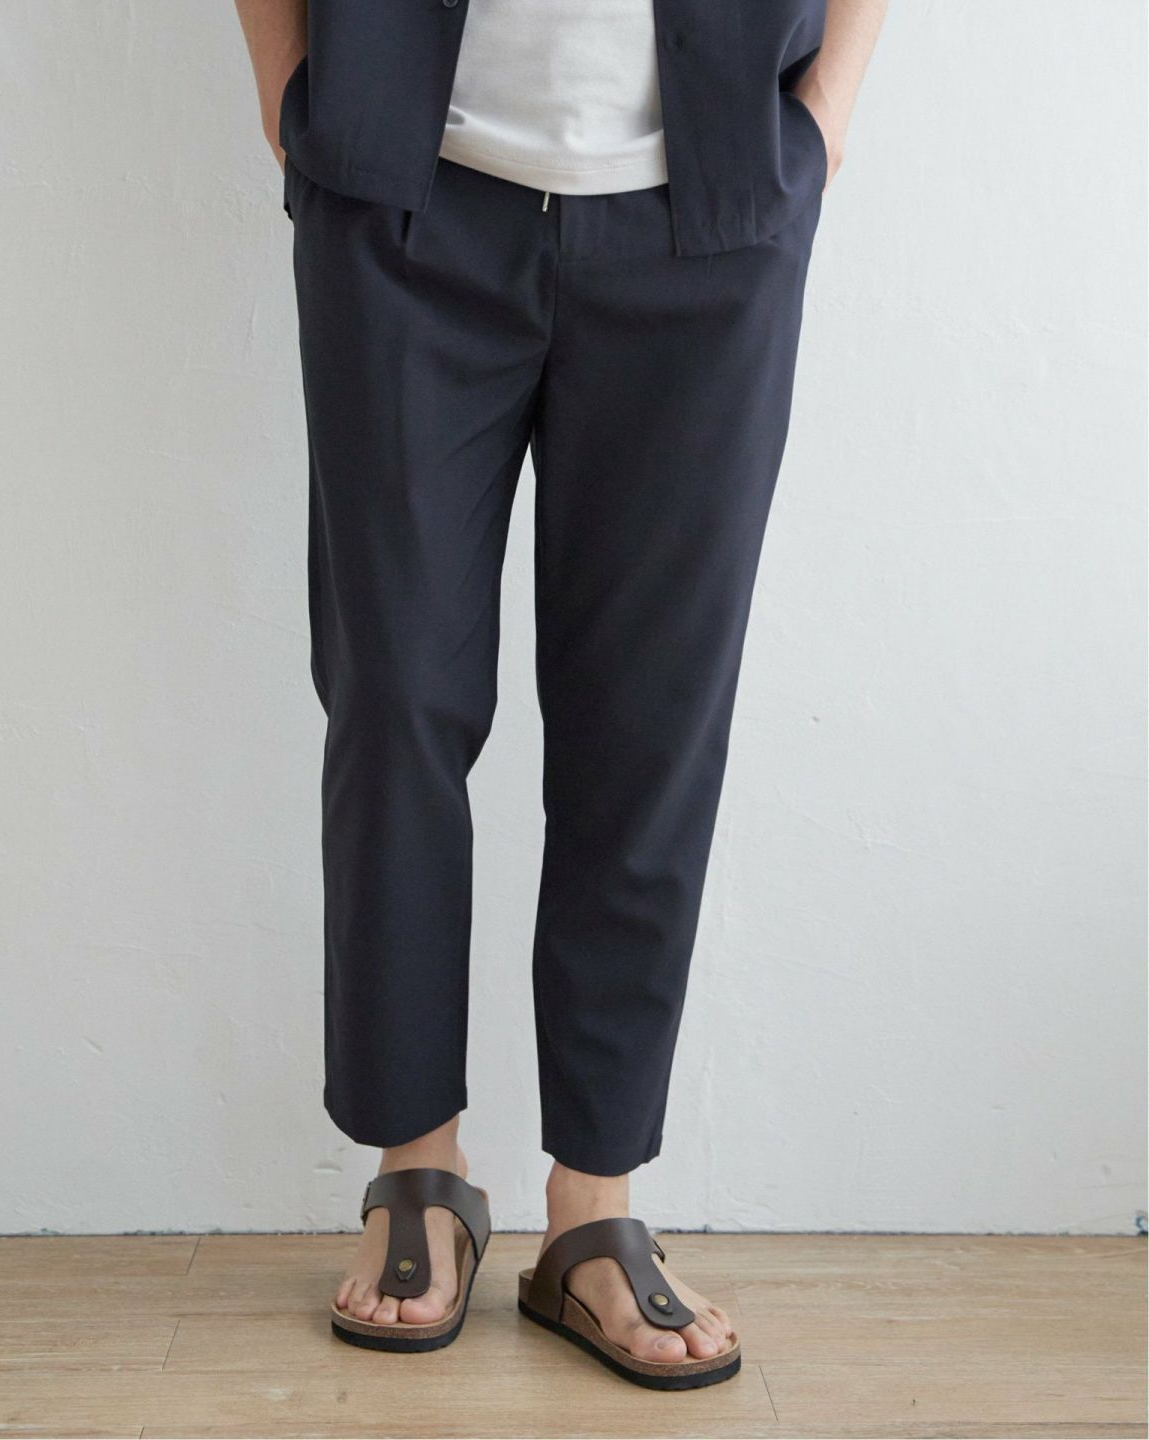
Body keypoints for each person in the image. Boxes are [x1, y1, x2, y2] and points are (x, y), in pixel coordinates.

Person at [234, 0, 888, 1389]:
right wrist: (288, 86)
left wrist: (825, 113)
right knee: (396, 695)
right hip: (404, 194)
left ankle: (594, 1207)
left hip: (708, 206)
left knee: (650, 725)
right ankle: (417, 1170)